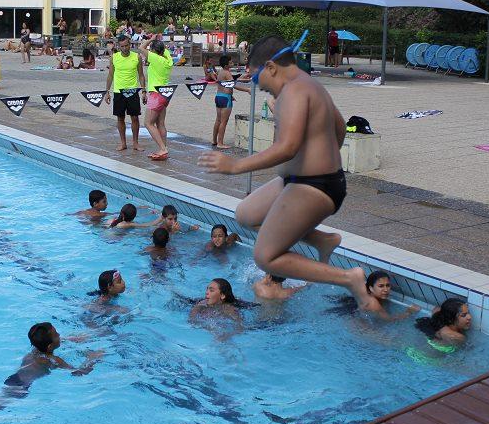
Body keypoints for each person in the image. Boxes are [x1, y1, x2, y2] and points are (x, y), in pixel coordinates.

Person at [199, 34, 359, 293]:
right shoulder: (301, 89)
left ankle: (349, 278)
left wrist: (235, 166)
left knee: (265, 256)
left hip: (315, 183)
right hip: (297, 179)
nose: (258, 86)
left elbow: (287, 148)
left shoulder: (295, 92)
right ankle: (322, 240)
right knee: (246, 214)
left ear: (272, 68)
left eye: (257, 79)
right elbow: (338, 127)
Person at [2, 322, 102, 391]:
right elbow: (78, 372)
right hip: (22, 387)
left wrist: (73, 339)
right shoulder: (52, 360)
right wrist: (93, 359)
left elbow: (50, 343)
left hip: (15, 378)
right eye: (56, 334)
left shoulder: (36, 349)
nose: (59, 335)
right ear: (49, 346)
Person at [104, 34, 147, 152]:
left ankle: (135, 143)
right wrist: (107, 92)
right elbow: (110, 75)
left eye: (127, 45)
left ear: (130, 44)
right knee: (120, 118)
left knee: (135, 118)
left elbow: (141, 75)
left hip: (133, 91)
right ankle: (123, 143)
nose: (125, 48)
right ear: (119, 46)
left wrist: (144, 91)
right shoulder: (114, 57)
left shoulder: (137, 57)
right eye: (122, 46)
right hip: (119, 91)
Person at [140, 36, 174, 161]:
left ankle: (163, 148)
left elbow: (141, 48)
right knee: (160, 123)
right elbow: (164, 50)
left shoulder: (155, 58)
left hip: (156, 94)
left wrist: (151, 39)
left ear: (154, 51)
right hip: (165, 94)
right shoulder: (168, 60)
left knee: (148, 123)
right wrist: (157, 43)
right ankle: (163, 149)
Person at [212, 55, 250, 149]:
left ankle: (214, 140)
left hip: (218, 96)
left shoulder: (220, 72)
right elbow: (233, 85)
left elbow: (224, 85)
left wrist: (231, 95)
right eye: (231, 62)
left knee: (218, 120)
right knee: (224, 122)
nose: (232, 63)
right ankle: (220, 143)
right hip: (226, 98)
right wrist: (247, 90)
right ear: (226, 65)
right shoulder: (227, 73)